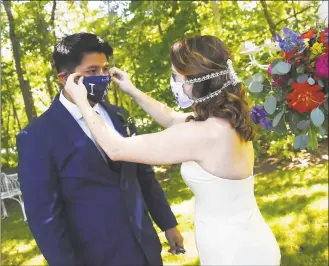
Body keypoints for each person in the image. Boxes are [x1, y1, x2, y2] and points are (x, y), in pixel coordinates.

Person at [65, 35, 281, 265]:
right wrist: (132, 90)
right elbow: (169, 118)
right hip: (250, 241)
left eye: (176, 77)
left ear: (195, 80)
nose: (175, 83)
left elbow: (115, 148)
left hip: (233, 253)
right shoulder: (226, 121)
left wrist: (83, 104)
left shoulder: (200, 134)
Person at [16, 32, 183, 266]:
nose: (103, 77)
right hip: (95, 256)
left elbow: (144, 176)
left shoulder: (118, 116)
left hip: (145, 249)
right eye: (92, 71)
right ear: (65, 78)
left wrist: (168, 224)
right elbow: (45, 217)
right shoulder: (36, 137)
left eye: (105, 69)